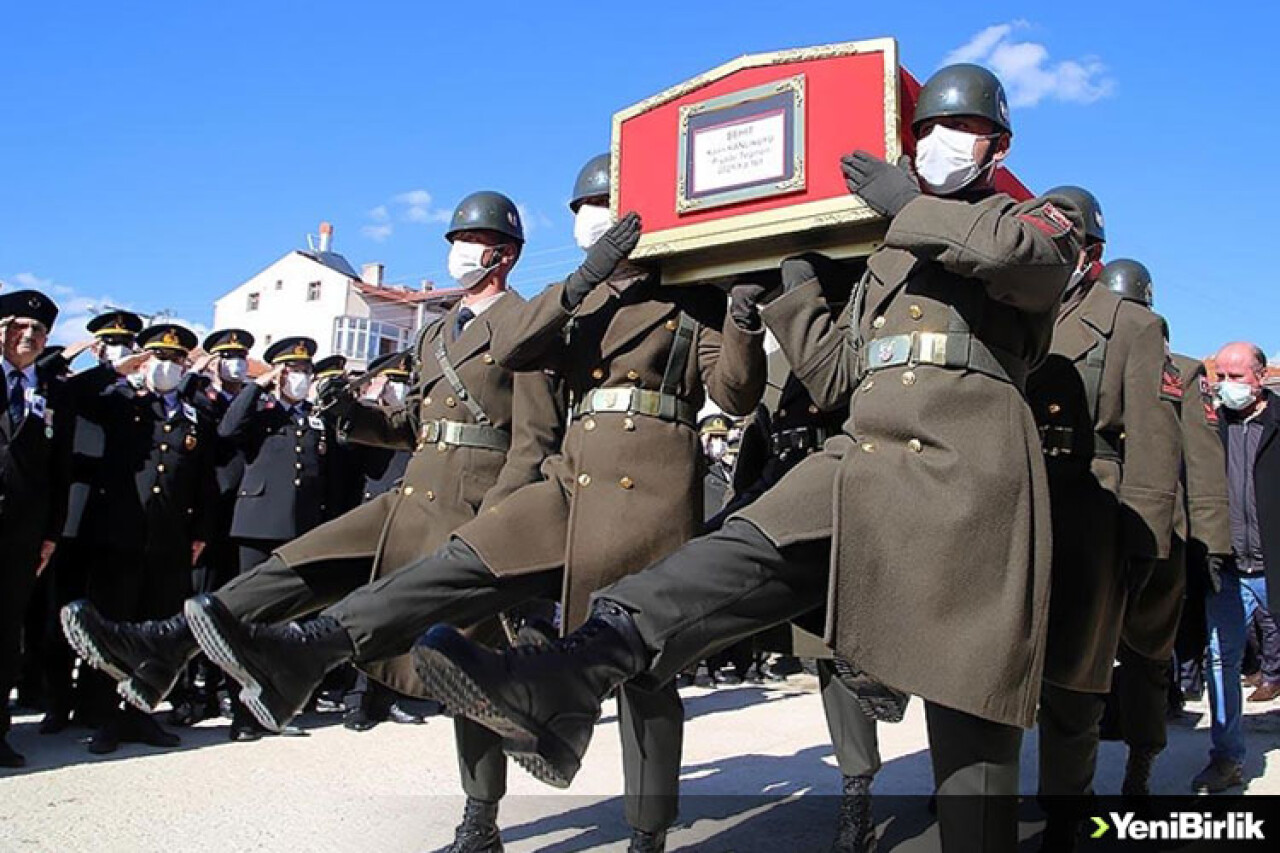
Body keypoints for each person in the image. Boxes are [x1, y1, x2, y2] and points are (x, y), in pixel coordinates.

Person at [412, 64, 1083, 853]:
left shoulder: (1034, 217)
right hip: (860, 455)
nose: (934, 143)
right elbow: (835, 376)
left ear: (995, 142)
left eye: (954, 130)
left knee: (970, 747)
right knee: (728, 556)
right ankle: (562, 678)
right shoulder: (885, 263)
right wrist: (790, 276)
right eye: (924, 130)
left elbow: (1026, 264)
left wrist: (910, 206)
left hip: (966, 470)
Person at [164, 155, 766, 853]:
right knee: (453, 576)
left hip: (647, 485)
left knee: (642, 667)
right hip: (570, 481)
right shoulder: (571, 302)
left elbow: (735, 394)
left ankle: (648, 830)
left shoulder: (689, 299)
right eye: (579, 209)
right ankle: (293, 647)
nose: (586, 219)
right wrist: (584, 278)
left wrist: (745, 315)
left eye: (599, 204)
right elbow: (508, 344)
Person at [62, 188, 564, 850]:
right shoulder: (440, 330)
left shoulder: (529, 324)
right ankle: (162, 646)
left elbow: (534, 439)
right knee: (298, 561)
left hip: (474, 511)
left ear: (503, 254)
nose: (456, 253)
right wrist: (352, 416)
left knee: (466, 669)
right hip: (411, 496)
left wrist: (497, 524)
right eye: (452, 241)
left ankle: (480, 817)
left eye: (467, 243)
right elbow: (413, 425)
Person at [1028, 209, 1181, 848]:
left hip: (1093, 512)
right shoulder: (1010, 311)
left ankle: (1070, 812)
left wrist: (1145, 538)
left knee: (1072, 683)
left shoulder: (1133, 327)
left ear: (1090, 250)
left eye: (1063, 241)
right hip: (1012, 501)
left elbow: (1154, 442)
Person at [73, 323, 218, 754]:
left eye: (175, 360)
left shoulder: (195, 414)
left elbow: (203, 481)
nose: (166, 367)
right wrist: (118, 370)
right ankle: (105, 716)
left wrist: (201, 533)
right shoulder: (121, 402)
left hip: (169, 540)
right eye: (159, 357)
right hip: (120, 535)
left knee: (156, 631)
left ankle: (142, 714)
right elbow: (75, 399)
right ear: (145, 359)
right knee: (114, 625)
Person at [1195, 341, 1280, 791]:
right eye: (1221, 377)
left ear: (1261, 377)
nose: (1227, 387)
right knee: (1220, 661)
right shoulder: (1210, 428)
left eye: (1237, 377)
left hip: (1273, 566)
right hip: (1226, 568)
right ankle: (1226, 758)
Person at [167, 328, 255, 727]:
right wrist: (193, 374)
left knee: (229, 605)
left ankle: (224, 687)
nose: (236, 362)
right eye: (228, 355)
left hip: (243, 513)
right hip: (208, 512)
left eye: (242, 355)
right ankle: (189, 689)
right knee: (196, 600)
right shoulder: (200, 398)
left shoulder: (256, 400)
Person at [0, 290, 71, 767]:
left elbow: (58, 468)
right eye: (18, 326)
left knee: (5, 633)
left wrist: (50, 533)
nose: (28, 335)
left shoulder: (49, 392)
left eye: (38, 330)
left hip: (22, 532)